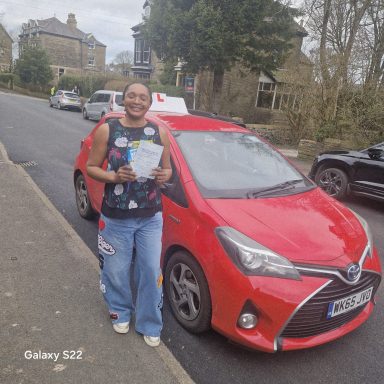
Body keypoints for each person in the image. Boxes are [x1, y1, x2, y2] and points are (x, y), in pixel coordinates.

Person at [86, 83, 172, 347]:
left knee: (149, 270)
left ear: (149, 103)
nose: (137, 101)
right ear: (124, 100)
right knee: (116, 269)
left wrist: (162, 177)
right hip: (116, 217)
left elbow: (167, 171)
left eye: (143, 97)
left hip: (150, 217)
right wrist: (113, 176)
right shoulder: (107, 129)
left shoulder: (159, 131)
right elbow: (91, 167)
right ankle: (120, 311)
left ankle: (149, 322)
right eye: (132, 96)